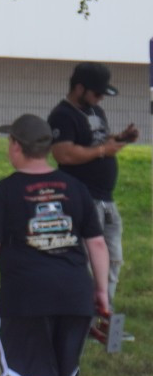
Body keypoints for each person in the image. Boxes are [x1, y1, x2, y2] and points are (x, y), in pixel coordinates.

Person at [0, 113, 109, 376]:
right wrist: (101, 292)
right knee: (66, 372)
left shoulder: (4, 192)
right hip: (74, 292)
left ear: (16, 146)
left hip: (26, 296)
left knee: (30, 374)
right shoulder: (76, 188)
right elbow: (97, 244)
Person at [47, 62, 138, 324]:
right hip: (83, 196)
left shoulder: (95, 110)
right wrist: (102, 151)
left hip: (106, 198)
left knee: (113, 257)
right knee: (88, 258)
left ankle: (104, 313)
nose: (100, 99)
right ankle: (82, 316)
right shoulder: (63, 115)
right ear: (79, 88)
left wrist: (121, 139)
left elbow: (99, 142)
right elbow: (63, 154)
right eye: (97, 93)